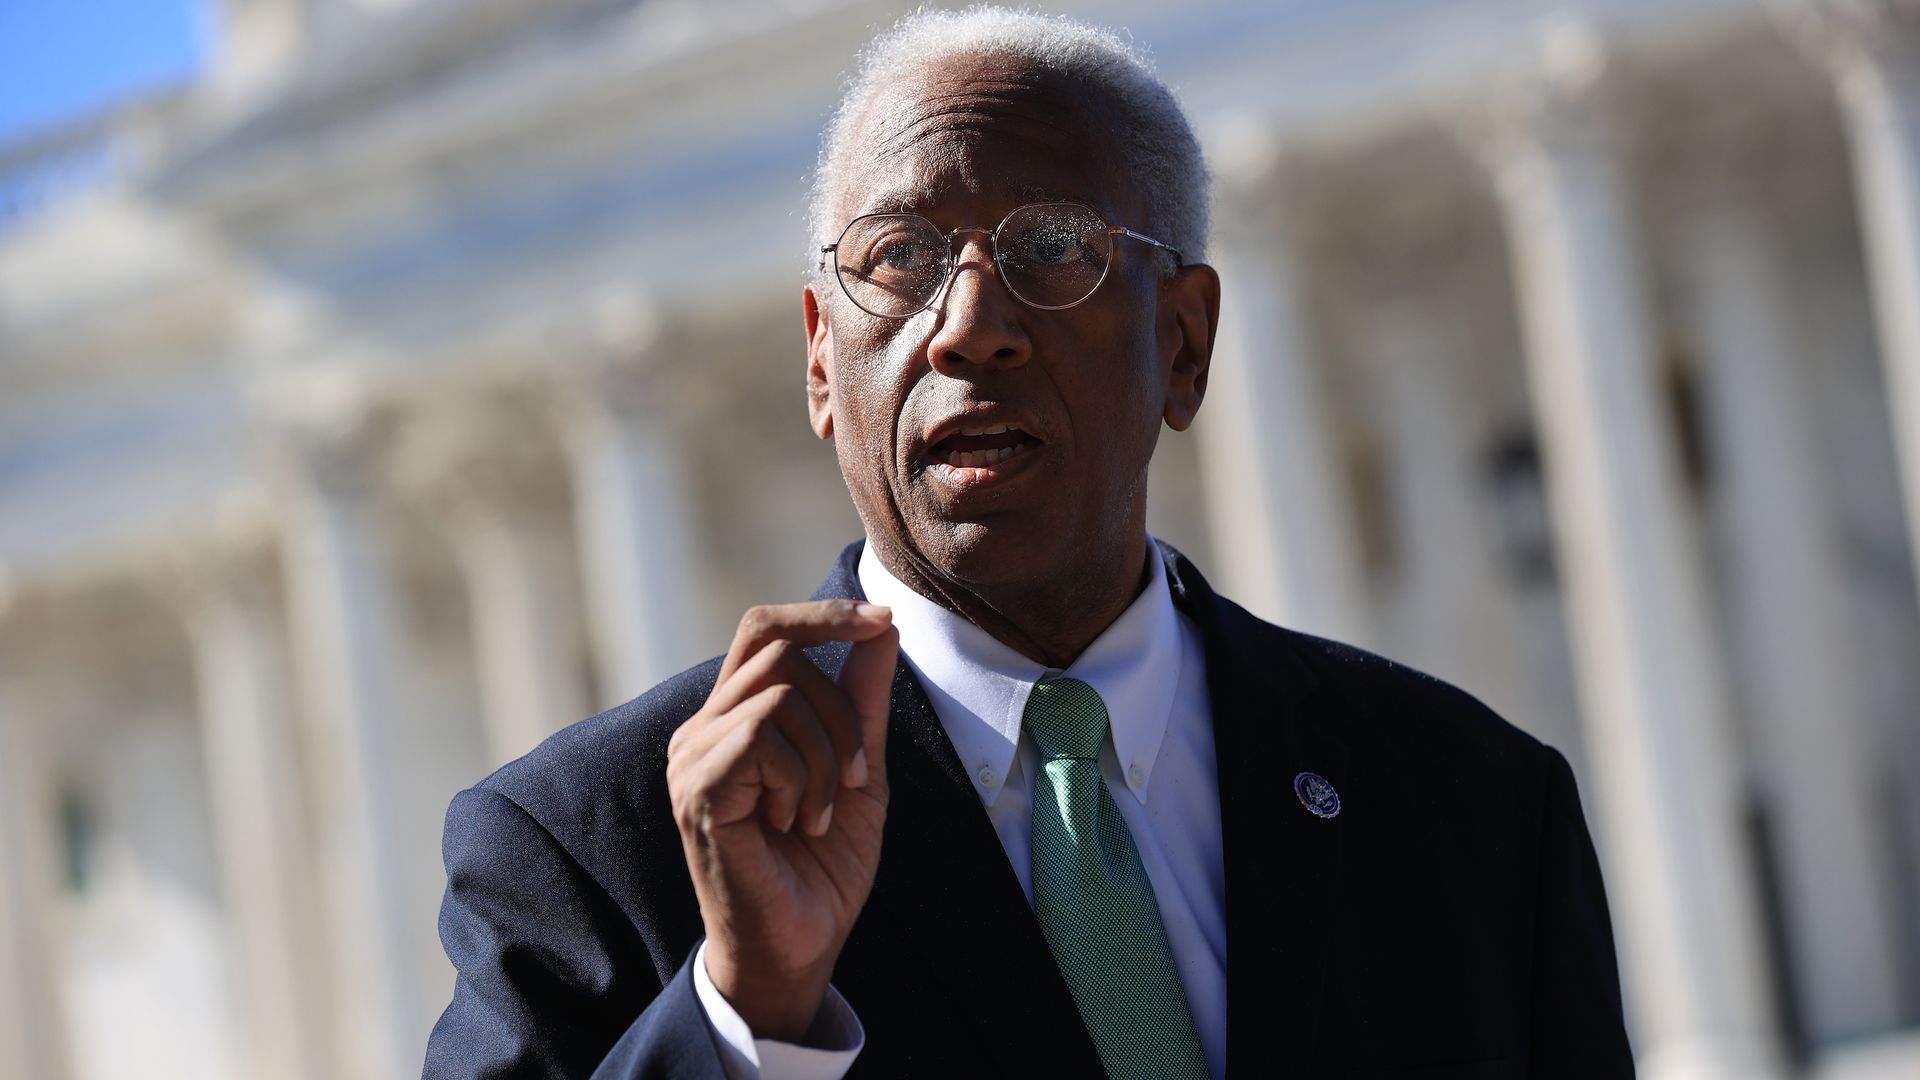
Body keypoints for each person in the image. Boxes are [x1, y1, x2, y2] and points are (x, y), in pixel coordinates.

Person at [423, 8, 1634, 1079]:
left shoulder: (1468, 809)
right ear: (818, 361)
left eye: (1053, 247)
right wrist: (744, 1021)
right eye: (898, 259)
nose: (968, 328)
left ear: (1186, 342)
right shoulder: (598, 847)